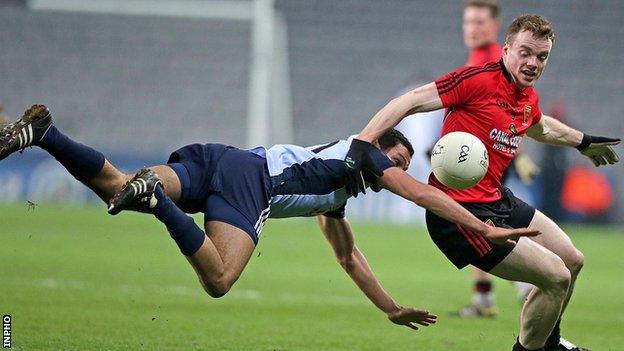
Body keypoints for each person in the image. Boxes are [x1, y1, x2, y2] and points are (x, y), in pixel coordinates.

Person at [0, 104, 538, 331]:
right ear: (385, 149)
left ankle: (43, 134)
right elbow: (418, 194)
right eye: (396, 161)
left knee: (118, 187)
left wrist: (391, 308)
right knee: (219, 278)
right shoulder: (364, 151)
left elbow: (350, 258)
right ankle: (158, 202)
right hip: (250, 181)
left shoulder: (335, 197)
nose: (390, 173)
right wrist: (482, 223)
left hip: (222, 160)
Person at [343, 14, 619, 351]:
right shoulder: (476, 80)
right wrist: (363, 143)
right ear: (506, 49)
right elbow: (410, 100)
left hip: (496, 200)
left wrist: (584, 141)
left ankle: (550, 343)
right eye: (525, 52)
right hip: (456, 214)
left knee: (572, 260)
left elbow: (541, 126)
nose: (533, 63)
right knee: (556, 277)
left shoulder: (527, 97)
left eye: (542, 56)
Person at [458, 0, 536, 318]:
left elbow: (514, 110)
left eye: (479, 22)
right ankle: (488, 296)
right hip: (473, 157)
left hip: (485, 161)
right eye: (467, 21)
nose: (471, 28)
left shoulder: (494, 61)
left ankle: (525, 283)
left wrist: (517, 153)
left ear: (494, 27)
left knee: (478, 226)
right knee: (476, 226)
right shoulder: (478, 57)